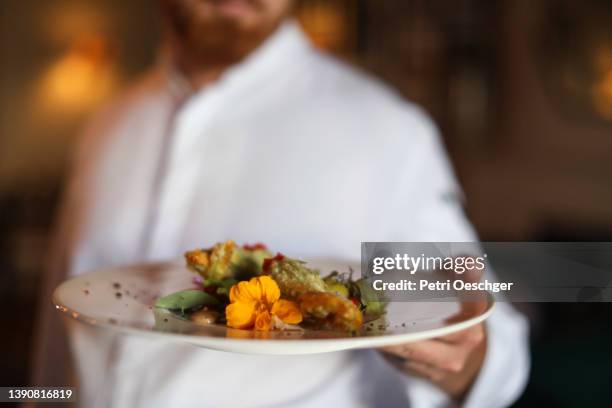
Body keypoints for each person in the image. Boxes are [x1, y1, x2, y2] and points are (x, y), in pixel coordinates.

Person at [33, 0, 529, 406]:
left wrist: (467, 360)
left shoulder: (389, 131)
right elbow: (59, 328)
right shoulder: (105, 125)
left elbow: (498, 354)